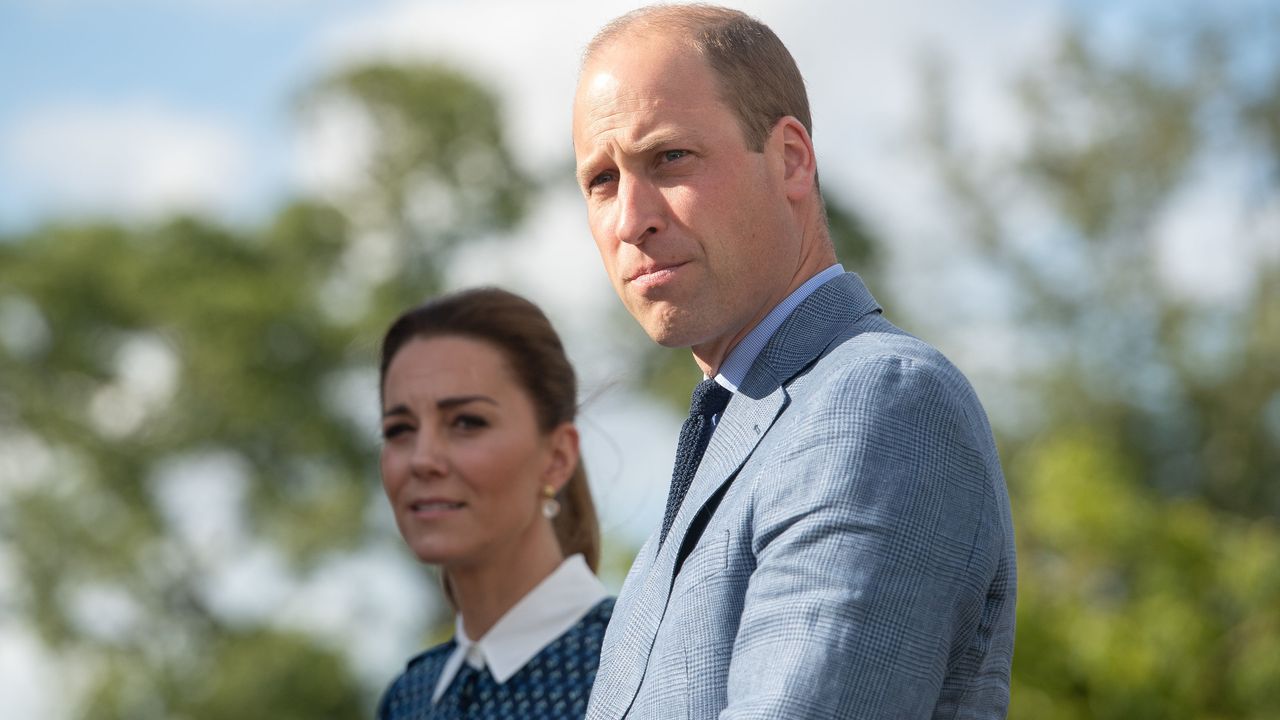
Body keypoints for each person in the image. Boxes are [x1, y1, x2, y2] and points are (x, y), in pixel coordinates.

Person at [572, 5, 1016, 718]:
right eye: (601, 180)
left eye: (669, 158)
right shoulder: (716, 456)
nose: (631, 219)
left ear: (791, 160)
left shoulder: (878, 402)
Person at [375, 287, 613, 720]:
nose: (422, 459)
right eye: (399, 429)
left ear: (557, 458)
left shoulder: (636, 665)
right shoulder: (408, 699)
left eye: (467, 422)